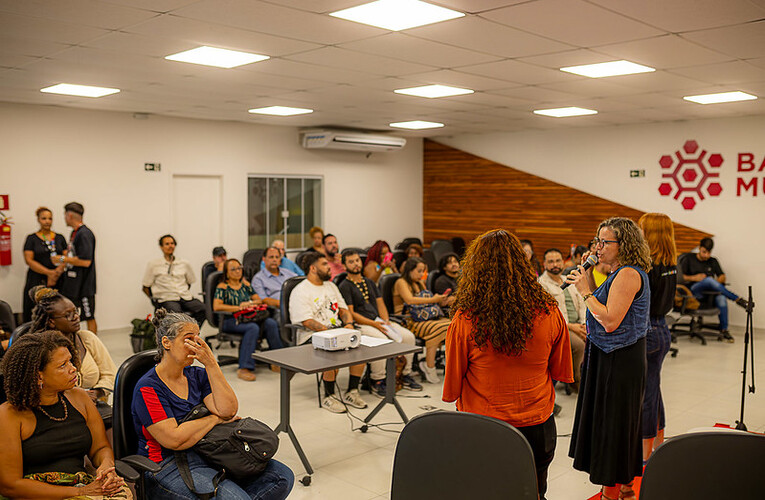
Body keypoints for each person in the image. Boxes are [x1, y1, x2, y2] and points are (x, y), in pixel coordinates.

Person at [443, 230, 573, 500]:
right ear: (525, 264)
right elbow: (561, 370)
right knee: (534, 492)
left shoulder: (465, 318)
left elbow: (453, 387)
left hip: (484, 426)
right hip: (537, 424)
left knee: (487, 490)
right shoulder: (550, 312)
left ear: (475, 268)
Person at [131, 309, 294, 499]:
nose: (196, 345)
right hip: (166, 464)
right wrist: (214, 419)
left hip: (207, 450)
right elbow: (175, 439)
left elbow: (228, 410)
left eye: (198, 338)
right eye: (188, 338)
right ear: (166, 342)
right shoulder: (148, 388)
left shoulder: (198, 375)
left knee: (282, 477)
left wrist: (211, 365)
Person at [567, 217, 651, 500]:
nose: (598, 247)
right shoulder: (617, 272)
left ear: (623, 244)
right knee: (616, 421)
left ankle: (611, 492)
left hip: (620, 357)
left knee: (614, 423)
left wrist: (585, 291)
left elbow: (611, 320)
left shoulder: (628, 274)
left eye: (605, 242)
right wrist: (587, 278)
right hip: (610, 354)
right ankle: (624, 487)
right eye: (597, 241)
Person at [0, 331, 130, 499]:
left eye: (70, 360)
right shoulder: (9, 415)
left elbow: (100, 448)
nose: (73, 368)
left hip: (80, 485)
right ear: (38, 376)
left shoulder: (80, 398)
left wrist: (106, 466)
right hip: (36, 493)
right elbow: (11, 485)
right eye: (63, 365)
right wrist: (80, 492)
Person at [289, 252, 368, 413]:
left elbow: (344, 310)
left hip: (336, 331)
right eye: (324, 264)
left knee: (360, 346)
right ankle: (329, 396)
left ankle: (352, 391)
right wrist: (333, 334)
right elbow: (307, 322)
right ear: (313, 268)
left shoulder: (331, 286)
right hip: (311, 335)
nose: (329, 267)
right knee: (332, 348)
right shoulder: (300, 290)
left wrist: (349, 324)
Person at [338, 250, 422, 396]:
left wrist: (386, 321)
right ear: (344, 266)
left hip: (379, 321)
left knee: (409, 337)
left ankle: (404, 374)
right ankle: (378, 380)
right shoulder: (345, 286)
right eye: (351, 262)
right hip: (362, 324)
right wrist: (374, 324)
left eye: (357, 260)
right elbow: (351, 313)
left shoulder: (369, 282)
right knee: (381, 341)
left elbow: (380, 303)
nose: (356, 264)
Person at [28, 286, 116, 404]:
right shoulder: (41, 349)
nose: (75, 317)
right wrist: (76, 396)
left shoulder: (87, 339)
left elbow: (110, 374)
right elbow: (39, 388)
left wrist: (97, 392)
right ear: (51, 321)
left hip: (93, 405)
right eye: (68, 315)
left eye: (75, 311)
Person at [637, 213, 678, 463]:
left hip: (649, 331)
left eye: (641, 229)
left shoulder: (649, 267)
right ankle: (659, 442)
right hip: (662, 328)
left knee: (646, 395)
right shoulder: (670, 263)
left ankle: (644, 454)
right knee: (654, 389)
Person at [213, 258, 282, 381]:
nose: (237, 271)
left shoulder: (246, 285)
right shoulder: (222, 286)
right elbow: (217, 306)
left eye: (239, 268)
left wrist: (249, 303)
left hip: (248, 317)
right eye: (233, 269)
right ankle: (244, 367)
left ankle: (277, 361)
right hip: (230, 320)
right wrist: (238, 307)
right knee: (253, 328)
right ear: (227, 273)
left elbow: (258, 300)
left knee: (270, 323)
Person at [679, 237, 753, 342]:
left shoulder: (713, 261)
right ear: (699, 248)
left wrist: (716, 283)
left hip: (709, 294)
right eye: (704, 252)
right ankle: (737, 299)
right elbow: (680, 278)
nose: (706, 255)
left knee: (721, 298)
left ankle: (724, 330)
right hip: (693, 292)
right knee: (708, 280)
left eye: (709, 253)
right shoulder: (688, 258)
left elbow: (722, 276)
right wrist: (694, 278)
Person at [393, 257, 451, 384]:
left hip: (423, 317)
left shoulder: (418, 283)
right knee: (440, 327)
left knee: (451, 325)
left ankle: (429, 363)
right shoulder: (401, 282)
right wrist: (433, 300)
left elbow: (426, 304)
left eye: (423, 271)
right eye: (419, 271)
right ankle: (429, 366)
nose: (421, 274)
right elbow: (410, 301)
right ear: (409, 270)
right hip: (408, 320)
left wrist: (440, 301)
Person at [538, 248, 586, 392]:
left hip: (578, 323)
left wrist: (583, 323)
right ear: (544, 264)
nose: (555, 264)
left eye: (558, 261)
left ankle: (587, 380)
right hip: (558, 327)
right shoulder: (541, 284)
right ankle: (576, 381)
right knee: (579, 345)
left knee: (595, 338)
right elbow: (547, 314)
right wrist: (571, 327)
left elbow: (582, 302)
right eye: (551, 262)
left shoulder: (568, 279)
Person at [142, 234, 206, 326]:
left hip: (185, 297)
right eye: (167, 244)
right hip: (167, 298)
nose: (170, 246)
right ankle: (178, 338)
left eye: (172, 243)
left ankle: (192, 332)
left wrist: (182, 290)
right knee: (177, 315)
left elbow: (189, 282)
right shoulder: (153, 264)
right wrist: (154, 300)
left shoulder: (184, 263)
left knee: (204, 309)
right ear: (161, 247)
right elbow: (145, 287)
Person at [57, 202, 98, 333]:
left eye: (64, 215)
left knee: (89, 316)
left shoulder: (84, 234)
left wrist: (62, 259)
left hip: (85, 285)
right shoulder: (74, 233)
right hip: (73, 285)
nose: (64, 218)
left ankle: (94, 346)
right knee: (70, 315)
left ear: (69, 215)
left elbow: (86, 261)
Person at [22, 207, 68, 322]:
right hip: (37, 279)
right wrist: (49, 273)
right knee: (35, 311)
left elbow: (66, 257)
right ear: (38, 220)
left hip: (58, 279)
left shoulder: (59, 238)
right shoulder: (31, 238)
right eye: (44, 218)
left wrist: (57, 272)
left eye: (50, 218)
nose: (47, 221)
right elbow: (29, 260)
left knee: (58, 310)